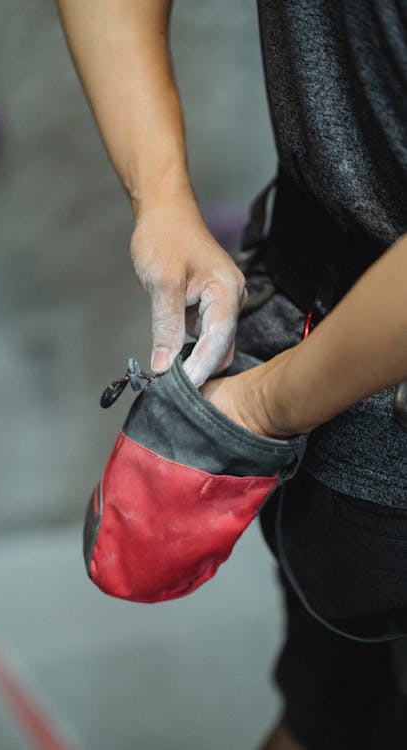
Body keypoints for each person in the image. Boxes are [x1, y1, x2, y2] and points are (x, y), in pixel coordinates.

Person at [56, 2, 407, 748]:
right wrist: (163, 201)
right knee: (326, 713)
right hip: (320, 376)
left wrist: (263, 405)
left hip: (308, 371)